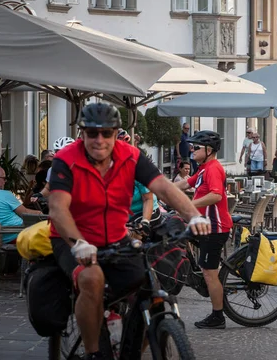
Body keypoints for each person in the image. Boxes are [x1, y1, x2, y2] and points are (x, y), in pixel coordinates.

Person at [48, 103, 210, 358]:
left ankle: (131, 347)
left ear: (115, 133)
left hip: (116, 237)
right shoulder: (66, 160)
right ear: (82, 134)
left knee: (148, 284)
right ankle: (94, 353)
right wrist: (78, 242)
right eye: (92, 133)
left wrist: (193, 216)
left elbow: (164, 188)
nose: (99, 140)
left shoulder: (131, 156)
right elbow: (58, 209)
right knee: (91, 278)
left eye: (106, 133)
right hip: (71, 240)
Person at [174, 130, 233, 329]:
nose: (192, 150)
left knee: (210, 273)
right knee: (174, 235)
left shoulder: (213, 169)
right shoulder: (203, 168)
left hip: (214, 228)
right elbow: (184, 183)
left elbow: (216, 195)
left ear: (209, 150)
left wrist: (190, 205)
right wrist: (160, 189)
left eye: (196, 147)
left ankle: (218, 317)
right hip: (203, 224)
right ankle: (193, 273)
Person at [0, 166, 42, 243]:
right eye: (3, 178)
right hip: (15, 235)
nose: (5, 181)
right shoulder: (5, 194)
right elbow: (25, 213)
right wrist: (41, 214)